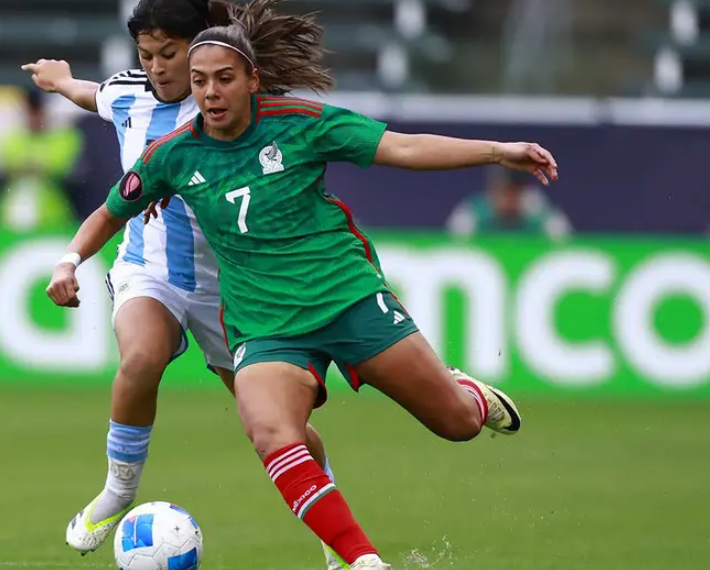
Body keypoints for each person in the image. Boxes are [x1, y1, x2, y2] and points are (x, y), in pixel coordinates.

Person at [46, 4, 559, 568]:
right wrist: (69, 261)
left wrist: (498, 152)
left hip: (344, 296)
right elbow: (109, 210)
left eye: (223, 79)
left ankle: (470, 397)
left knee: (456, 425)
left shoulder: (301, 123)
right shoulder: (173, 154)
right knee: (270, 431)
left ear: (252, 79)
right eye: (200, 82)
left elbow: (403, 148)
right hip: (265, 324)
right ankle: (362, 561)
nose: (210, 93)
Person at [21, 1, 341, 567]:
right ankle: (118, 491)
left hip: (232, 288)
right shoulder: (127, 94)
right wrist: (58, 80)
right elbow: (91, 93)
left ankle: (332, 529)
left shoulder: (227, 100)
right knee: (141, 357)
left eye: (169, 54)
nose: (157, 67)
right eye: (146, 55)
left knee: (275, 427)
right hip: (151, 271)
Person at [0, 88, 84, 230]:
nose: (34, 117)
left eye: (38, 111)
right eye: (30, 111)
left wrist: (30, 167)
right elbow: (2, 174)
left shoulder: (65, 139)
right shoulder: (9, 140)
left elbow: (71, 175)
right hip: (10, 219)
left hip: (53, 219)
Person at [446, 166, 571, 240]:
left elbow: (564, 244)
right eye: (506, 190)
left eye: (516, 190)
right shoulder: (475, 214)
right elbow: (454, 246)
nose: (510, 197)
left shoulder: (538, 214)